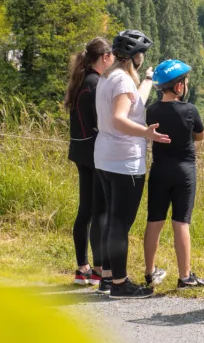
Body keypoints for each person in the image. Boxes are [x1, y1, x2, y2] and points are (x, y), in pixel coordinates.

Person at [94, 29, 170, 299]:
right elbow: (119, 118)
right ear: (134, 56)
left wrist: (148, 79)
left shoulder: (109, 77)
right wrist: (147, 134)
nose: (143, 58)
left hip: (105, 157)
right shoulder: (122, 82)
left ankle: (106, 278)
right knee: (120, 224)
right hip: (124, 160)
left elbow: (135, 100)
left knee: (111, 220)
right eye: (142, 54)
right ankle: (120, 284)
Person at [144, 59, 204, 288]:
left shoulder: (151, 110)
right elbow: (200, 136)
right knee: (181, 222)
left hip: (159, 170)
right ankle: (184, 276)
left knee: (154, 221)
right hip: (184, 170)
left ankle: (150, 272)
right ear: (179, 86)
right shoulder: (190, 109)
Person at [66, 37, 114, 288]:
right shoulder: (96, 84)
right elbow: (103, 120)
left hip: (79, 150)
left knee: (85, 209)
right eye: (112, 55)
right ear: (105, 57)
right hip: (94, 153)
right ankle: (98, 269)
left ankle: (81, 267)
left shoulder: (82, 81)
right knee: (100, 211)